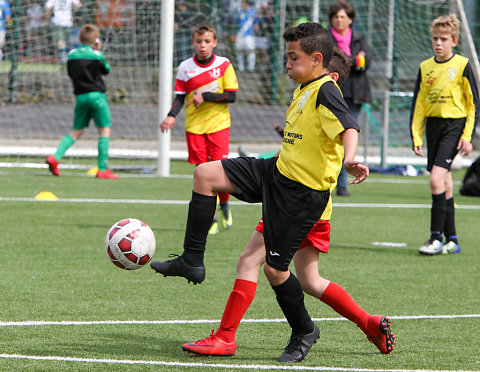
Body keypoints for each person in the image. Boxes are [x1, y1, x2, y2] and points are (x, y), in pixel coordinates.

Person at [151, 22, 369, 362]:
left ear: (315, 59)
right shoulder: (306, 88)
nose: (286, 64)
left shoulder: (326, 89)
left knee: (276, 270)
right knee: (205, 174)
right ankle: (192, 261)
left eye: (292, 58)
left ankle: (304, 330)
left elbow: (349, 125)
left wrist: (352, 159)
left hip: (299, 196)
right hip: (276, 172)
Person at [159, 23, 238, 235]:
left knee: (220, 171)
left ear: (214, 43)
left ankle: (225, 207)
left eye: (207, 42)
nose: (203, 46)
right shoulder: (185, 67)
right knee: (202, 174)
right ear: (194, 42)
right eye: (199, 42)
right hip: (194, 128)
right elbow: (179, 98)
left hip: (219, 126)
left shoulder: (223, 65)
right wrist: (170, 116)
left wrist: (206, 96)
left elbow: (231, 95)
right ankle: (210, 218)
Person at [410, 14, 479, 255]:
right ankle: (452, 239)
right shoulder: (425, 67)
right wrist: (417, 137)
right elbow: (418, 105)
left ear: (454, 41)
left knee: (435, 180)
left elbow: (473, 104)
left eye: (444, 39)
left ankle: (435, 238)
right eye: (435, 39)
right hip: (433, 127)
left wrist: (467, 135)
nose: (438, 43)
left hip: (454, 126)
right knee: (446, 182)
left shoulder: (462, 64)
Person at [46, 23, 118, 179]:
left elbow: (71, 73)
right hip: (97, 96)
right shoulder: (96, 55)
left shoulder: (71, 55)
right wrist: (99, 52)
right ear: (95, 39)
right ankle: (102, 169)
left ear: (80, 38)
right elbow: (106, 70)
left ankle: (55, 157)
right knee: (104, 130)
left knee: (76, 131)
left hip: (80, 97)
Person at [328, 0, 372, 197]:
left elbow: (366, 62)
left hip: (354, 94)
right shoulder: (326, 39)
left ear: (350, 20)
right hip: (333, 93)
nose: (339, 20)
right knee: (331, 138)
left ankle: (343, 184)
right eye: (336, 17)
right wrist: (355, 59)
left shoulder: (360, 38)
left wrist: (344, 59)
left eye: (343, 17)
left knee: (348, 136)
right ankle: (329, 179)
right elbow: (329, 61)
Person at [44, 0, 82, 65]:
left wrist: (47, 19)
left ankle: (63, 57)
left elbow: (48, 7)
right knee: (62, 40)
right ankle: (63, 58)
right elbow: (79, 5)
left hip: (58, 21)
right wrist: (72, 11)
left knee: (61, 41)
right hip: (67, 21)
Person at [235, 0, 258, 72]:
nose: (241, 4)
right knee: (239, 51)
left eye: (242, 3)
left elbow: (255, 25)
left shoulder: (253, 12)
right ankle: (240, 67)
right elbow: (237, 23)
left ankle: (251, 68)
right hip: (240, 35)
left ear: (246, 3)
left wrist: (253, 32)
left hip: (249, 36)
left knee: (250, 51)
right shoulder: (240, 12)